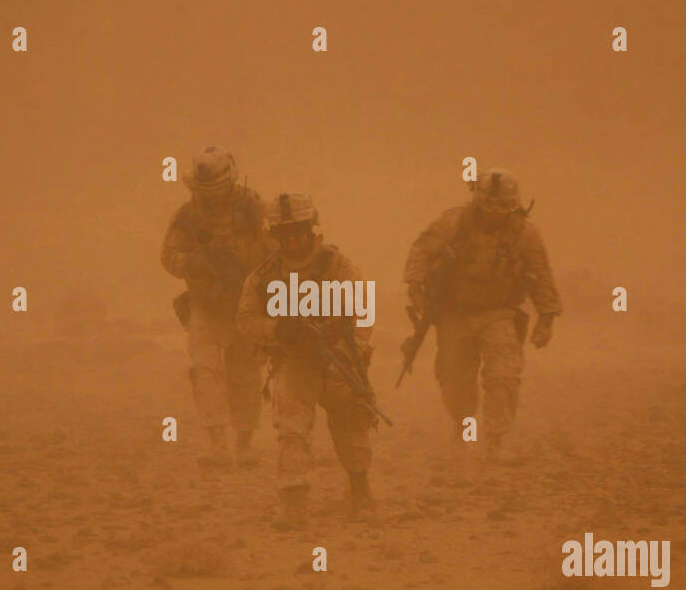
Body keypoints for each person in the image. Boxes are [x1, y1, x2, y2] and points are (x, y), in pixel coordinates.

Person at [402, 168, 561, 463]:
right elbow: (421, 251)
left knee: (503, 376)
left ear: (513, 206)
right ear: (476, 199)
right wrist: (415, 286)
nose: (493, 212)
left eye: (501, 206)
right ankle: (463, 427)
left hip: (499, 312)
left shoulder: (525, 233)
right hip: (454, 313)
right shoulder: (454, 221)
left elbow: (541, 273)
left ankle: (495, 441)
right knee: (454, 378)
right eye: (487, 204)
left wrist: (547, 317)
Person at [236, 193, 375, 519]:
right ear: (276, 234)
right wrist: (276, 330)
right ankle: (294, 498)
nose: (294, 238)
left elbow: (363, 314)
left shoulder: (338, 267)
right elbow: (245, 320)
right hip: (294, 361)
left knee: (351, 423)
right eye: (286, 232)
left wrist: (343, 351)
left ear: (311, 229)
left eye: (299, 230)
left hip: (338, 361)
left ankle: (360, 489)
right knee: (292, 427)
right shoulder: (264, 276)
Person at [160, 146, 275, 466]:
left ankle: (244, 444)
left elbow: (278, 253)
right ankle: (218, 445)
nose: (211, 197)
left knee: (246, 372)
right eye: (204, 190)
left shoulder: (254, 210)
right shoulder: (187, 215)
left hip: (247, 303)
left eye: (216, 189)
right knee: (203, 369)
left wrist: (258, 281)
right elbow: (168, 257)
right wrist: (196, 263)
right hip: (206, 303)